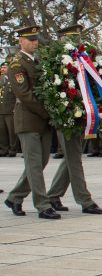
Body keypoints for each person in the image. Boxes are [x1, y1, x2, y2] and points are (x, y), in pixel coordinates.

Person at [46, 25, 102, 215]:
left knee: (73, 157)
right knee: (74, 159)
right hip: (66, 115)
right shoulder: (56, 61)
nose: (76, 43)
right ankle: (85, 200)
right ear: (62, 39)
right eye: (71, 38)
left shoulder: (84, 59)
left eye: (78, 39)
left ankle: (52, 195)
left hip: (82, 113)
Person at [4, 25, 60, 219]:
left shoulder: (38, 60)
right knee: (34, 164)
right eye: (30, 40)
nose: (34, 42)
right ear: (20, 41)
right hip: (28, 118)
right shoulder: (17, 64)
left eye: (36, 39)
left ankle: (15, 196)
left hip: (41, 118)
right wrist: (47, 113)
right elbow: (25, 94)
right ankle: (43, 205)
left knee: (41, 161)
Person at [0, 61, 17, 157]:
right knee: (2, 131)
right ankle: (3, 149)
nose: (3, 69)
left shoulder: (13, 80)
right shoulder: (1, 80)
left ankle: (12, 150)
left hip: (10, 109)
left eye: (5, 67)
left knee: (11, 131)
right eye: (2, 67)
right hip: (1, 110)